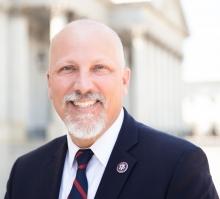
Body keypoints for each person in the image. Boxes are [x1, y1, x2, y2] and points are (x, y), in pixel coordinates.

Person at [4, 19, 219, 199]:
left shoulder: (179, 166)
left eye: (99, 68)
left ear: (124, 81)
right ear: (50, 84)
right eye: (68, 68)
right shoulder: (24, 172)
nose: (83, 85)